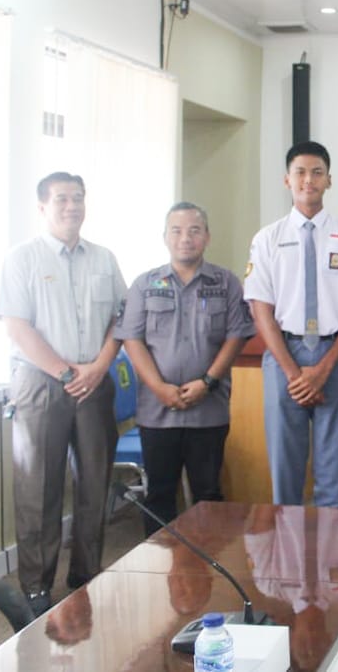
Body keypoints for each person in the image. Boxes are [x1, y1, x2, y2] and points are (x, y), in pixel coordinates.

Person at [0, 172, 125, 616]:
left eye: (78, 198)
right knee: (39, 490)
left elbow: (120, 322)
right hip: (41, 383)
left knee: (95, 483)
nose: (72, 206)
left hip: (94, 379)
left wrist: (100, 366)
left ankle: (86, 576)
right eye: (62, 199)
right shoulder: (22, 258)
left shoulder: (105, 259)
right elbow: (17, 326)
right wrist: (66, 371)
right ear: (42, 207)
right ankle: (36, 588)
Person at [114, 202, 255, 534]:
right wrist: (160, 388)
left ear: (207, 237)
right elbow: (131, 340)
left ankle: (209, 568)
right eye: (176, 231)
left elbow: (236, 336)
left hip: (209, 409)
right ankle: (158, 567)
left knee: (208, 494)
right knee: (160, 493)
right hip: (157, 410)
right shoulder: (144, 284)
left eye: (194, 230)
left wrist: (207, 381)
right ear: (165, 237)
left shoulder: (226, 283)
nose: (185, 238)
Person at [244, 141, 338, 506]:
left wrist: (324, 367)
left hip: (334, 354)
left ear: (329, 180)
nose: (308, 180)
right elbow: (261, 310)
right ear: (287, 180)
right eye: (300, 172)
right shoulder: (268, 239)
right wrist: (294, 373)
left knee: (332, 471)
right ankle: (289, 555)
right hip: (283, 355)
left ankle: (327, 554)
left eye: (317, 172)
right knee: (286, 468)